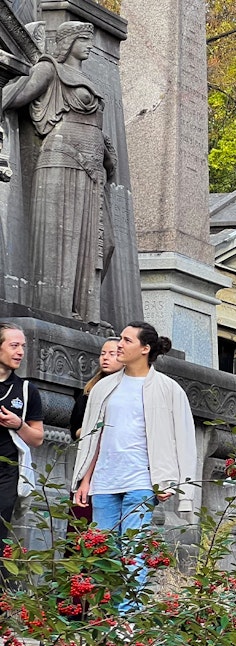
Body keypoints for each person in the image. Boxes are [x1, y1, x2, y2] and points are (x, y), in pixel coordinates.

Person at [72, 322, 196, 614]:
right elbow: (93, 437)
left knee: (133, 550)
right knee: (102, 551)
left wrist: (176, 485)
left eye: (126, 340)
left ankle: (127, 618)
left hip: (142, 481)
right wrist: (84, 479)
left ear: (145, 348)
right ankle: (106, 616)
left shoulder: (168, 389)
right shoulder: (104, 387)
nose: (119, 346)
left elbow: (184, 438)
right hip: (104, 481)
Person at [2, 21, 115, 323]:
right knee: (63, 237)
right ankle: (60, 311)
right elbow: (19, 95)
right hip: (62, 156)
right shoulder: (50, 69)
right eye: (83, 40)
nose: (89, 45)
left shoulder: (84, 76)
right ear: (68, 42)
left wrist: (106, 155)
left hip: (93, 164)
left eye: (90, 40)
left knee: (99, 243)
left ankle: (86, 311)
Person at [68, 336, 123, 524]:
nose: (105, 358)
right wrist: (92, 431)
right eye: (103, 353)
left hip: (117, 467)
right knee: (82, 525)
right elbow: (74, 429)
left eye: (112, 354)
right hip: (89, 460)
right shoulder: (90, 391)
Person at [0, 324, 44, 548]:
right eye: (14, 345)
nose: (20, 352)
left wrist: (18, 424)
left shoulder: (26, 390)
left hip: (7, 472)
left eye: (23, 347)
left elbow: (37, 438)